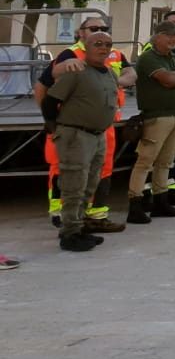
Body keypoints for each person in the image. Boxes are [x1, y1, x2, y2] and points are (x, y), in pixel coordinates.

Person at [35, 16, 136, 231]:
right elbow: (46, 89)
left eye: (104, 30)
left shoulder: (112, 60)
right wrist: (51, 124)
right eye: (93, 30)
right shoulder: (71, 58)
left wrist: (121, 79)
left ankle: (93, 217)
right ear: (82, 33)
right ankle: (65, 221)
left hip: (103, 127)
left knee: (100, 172)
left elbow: (130, 72)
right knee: (70, 174)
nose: (102, 44)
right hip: (74, 129)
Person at [41, 30, 122, 251]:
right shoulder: (76, 71)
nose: (103, 48)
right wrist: (54, 128)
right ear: (86, 46)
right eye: (97, 43)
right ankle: (69, 234)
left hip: (98, 135)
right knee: (73, 185)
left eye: (107, 44)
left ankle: (80, 226)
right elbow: (50, 101)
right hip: (76, 135)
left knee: (90, 184)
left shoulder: (109, 73)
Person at [128, 21, 175, 223]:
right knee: (145, 161)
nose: (173, 39)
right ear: (157, 36)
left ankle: (160, 200)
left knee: (166, 162)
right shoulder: (148, 58)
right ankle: (135, 204)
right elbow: (167, 79)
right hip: (156, 116)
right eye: (169, 35)